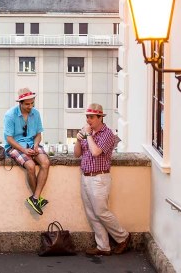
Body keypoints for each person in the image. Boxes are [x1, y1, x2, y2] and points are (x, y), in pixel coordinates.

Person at [73, 103, 130, 256]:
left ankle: (123, 236)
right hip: (85, 177)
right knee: (92, 214)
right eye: (87, 117)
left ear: (100, 118)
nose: (88, 120)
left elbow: (96, 152)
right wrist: (78, 139)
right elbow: (76, 154)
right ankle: (103, 246)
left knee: (101, 211)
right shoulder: (87, 132)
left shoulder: (107, 134)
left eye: (91, 117)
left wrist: (88, 135)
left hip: (99, 177)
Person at [3, 87, 50, 215]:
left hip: (31, 144)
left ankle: (35, 198)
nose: (30, 106)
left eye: (32, 103)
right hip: (15, 146)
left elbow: (39, 134)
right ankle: (37, 199)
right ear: (20, 103)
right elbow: (9, 139)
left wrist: (36, 145)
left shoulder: (36, 113)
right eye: (27, 104)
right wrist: (24, 150)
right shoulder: (10, 115)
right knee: (30, 166)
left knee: (45, 163)